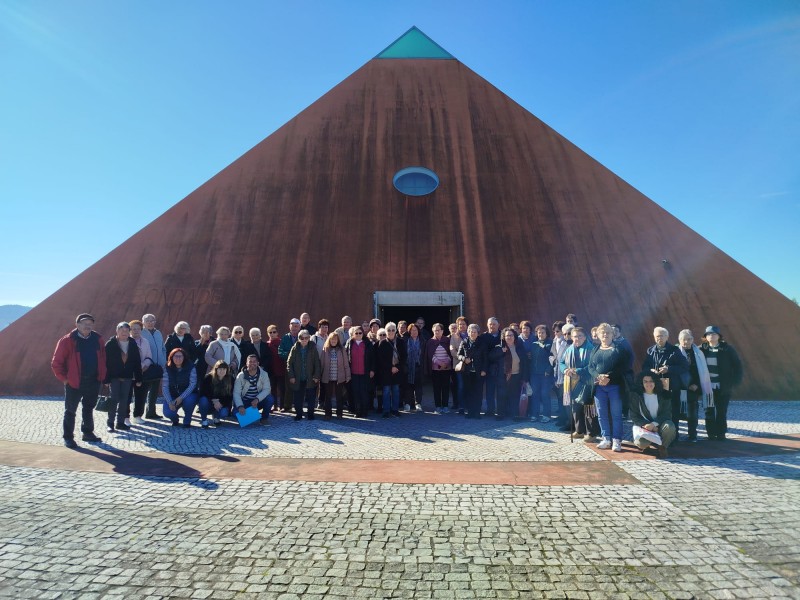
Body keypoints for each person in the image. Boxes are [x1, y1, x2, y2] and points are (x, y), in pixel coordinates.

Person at [51, 313, 106, 448]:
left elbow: (103, 358)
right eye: (84, 323)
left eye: (90, 323)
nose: (87, 326)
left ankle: (87, 432)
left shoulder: (98, 339)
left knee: (88, 408)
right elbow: (56, 363)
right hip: (74, 382)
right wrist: (65, 379)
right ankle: (68, 437)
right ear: (77, 325)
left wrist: (101, 376)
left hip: (93, 381)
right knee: (70, 410)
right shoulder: (67, 340)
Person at [588, 323, 632, 452]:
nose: (605, 335)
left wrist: (609, 377)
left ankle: (617, 440)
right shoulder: (595, 349)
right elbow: (590, 367)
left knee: (616, 414)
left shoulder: (619, 349)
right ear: (599, 335)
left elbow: (624, 366)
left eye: (608, 333)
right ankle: (606, 438)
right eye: (603, 333)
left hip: (615, 386)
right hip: (599, 387)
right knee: (601, 414)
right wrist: (598, 376)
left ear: (613, 335)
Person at [641, 327, 688, 440]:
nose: (659, 338)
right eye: (657, 336)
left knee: (673, 411)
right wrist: (651, 371)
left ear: (667, 337)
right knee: (657, 411)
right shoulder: (650, 350)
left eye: (662, 335)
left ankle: (673, 435)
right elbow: (645, 367)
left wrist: (669, 369)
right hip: (656, 387)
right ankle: (658, 434)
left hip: (672, 387)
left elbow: (684, 366)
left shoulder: (674, 350)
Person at [700, 325, 743, 441]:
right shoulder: (701, 350)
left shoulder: (727, 349)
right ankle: (711, 434)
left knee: (721, 410)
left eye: (714, 334)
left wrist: (734, 382)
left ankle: (721, 433)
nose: (711, 336)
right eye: (709, 334)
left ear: (719, 336)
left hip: (723, 387)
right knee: (708, 410)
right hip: (707, 386)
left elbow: (738, 366)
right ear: (705, 337)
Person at [560, 327, 599, 441]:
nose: (577, 338)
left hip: (587, 382)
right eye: (575, 336)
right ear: (571, 337)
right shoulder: (569, 349)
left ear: (585, 337)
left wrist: (578, 371)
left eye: (579, 336)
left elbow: (592, 365)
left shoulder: (591, 349)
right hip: (573, 382)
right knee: (575, 407)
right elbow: (561, 362)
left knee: (588, 407)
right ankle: (579, 430)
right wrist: (565, 370)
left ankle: (591, 433)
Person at [103, 322, 143, 432]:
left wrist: (139, 378)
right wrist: (105, 379)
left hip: (128, 377)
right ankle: (110, 423)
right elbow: (104, 362)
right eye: (122, 330)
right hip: (114, 377)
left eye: (126, 330)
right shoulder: (111, 343)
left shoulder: (132, 343)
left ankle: (120, 423)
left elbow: (137, 362)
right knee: (114, 399)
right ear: (117, 331)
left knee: (125, 401)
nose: (124, 332)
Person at [676, 329, 714, 442]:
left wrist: (696, 385)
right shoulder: (675, 352)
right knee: (677, 412)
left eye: (689, 339)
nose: (687, 342)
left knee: (693, 413)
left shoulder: (698, 352)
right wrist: (687, 385)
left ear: (692, 339)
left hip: (695, 388)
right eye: (684, 339)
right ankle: (676, 435)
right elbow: (676, 371)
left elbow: (701, 371)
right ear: (679, 340)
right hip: (680, 388)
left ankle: (692, 435)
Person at [631, 374, 676, 458]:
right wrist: (646, 425)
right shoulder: (636, 396)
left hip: (659, 424)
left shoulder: (664, 395)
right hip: (644, 426)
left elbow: (667, 414)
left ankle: (662, 447)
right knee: (641, 444)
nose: (649, 384)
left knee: (670, 427)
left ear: (656, 382)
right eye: (645, 381)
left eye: (651, 381)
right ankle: (647, 445)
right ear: (642, 383)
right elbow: (634, 416)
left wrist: (654, 424)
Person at [162, 348, 204, 427]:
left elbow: (192, 384)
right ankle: (175, 419)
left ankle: (187, 419)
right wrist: (169, 402)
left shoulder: (191, 367)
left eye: (180, 356)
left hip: (188, 394)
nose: (178, 358)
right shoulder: (167, 368)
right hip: (173, 394)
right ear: (171, 357)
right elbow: (165, 386)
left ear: (184, 357)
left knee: (189, 401)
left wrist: (181, 397)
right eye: (175, 356)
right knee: (168, 412)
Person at [286, 330, 322, 421]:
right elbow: (289, 363)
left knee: (311, 397)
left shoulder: (312, 347)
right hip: (298, 377)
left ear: (309, 338)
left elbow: (317, 362)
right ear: (299, 339)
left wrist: (316, 376)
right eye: (302, 338)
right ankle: (299, 414)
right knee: (298, 397)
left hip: (310, 377)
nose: (304, 340)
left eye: (306, 338)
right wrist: (291, 376)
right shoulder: (294, 348)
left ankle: (310, 414)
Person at [375, 323, 406, 418]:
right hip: (386, 371)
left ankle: (395, 410)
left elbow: (404, 357)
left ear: (396, 331)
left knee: (396, 390)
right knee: (386, 391)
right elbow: (380, 359)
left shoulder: (401, 342)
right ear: (386, 331)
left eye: (393, 330)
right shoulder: (382, 343)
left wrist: (397, 368)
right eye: (389, 330)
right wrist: (390, 367)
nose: (391, 332)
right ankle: (386, 411)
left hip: (397, 370)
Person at [233, 354, 273, 424]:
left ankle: (264, 418)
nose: (252, 363)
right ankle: (254, 416)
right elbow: (236, 393)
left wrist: (257, 399)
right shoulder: (240, 376)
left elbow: (267, 389)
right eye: (250, 361)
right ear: (246, 363)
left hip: (257, 401)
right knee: (235, 413)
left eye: (254, 361)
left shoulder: (264, 374)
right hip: (245, 401)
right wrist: (240, 406)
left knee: (270, 399)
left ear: (258, 363)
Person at [457, 324, 486, 419]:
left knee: (478, 393)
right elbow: (459, 355)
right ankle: (470, 412)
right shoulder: (464, 342)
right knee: (468, 392)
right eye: (470, 332)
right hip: (467, 372)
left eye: (474, 332)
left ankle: (477, 412)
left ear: (478, 333)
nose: (472, 333)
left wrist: (484, 370)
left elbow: (486, 359)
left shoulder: (482, 343)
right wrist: (464, 359)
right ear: (468, 332)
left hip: (479, 372)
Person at [140, 313, 167, 419]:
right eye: (148, 321)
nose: (150, 323)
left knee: (154, 391)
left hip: (157, 367)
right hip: (146, 366)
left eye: (152, 321)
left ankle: (151, 412)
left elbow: (162, 348)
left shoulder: (158, 332)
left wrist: (163, 361)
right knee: (143, 391)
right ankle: (138, 413)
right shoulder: (141, 333)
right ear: (143, 322)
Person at [345, 325, 375, 418]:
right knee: (355, 392)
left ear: (363, 334)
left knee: (364, 392)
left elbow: (373, 358)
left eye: (360, 333)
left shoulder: (368, 343)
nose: (358, 334)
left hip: (364, 372)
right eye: (356, 333)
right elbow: (346, 357)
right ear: (353, 334)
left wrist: (372, 370)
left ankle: (364, 411)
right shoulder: (350, 343)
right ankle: (357, 411)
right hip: (353, 373)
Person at [129, 319, 155, 425]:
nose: (136, 331)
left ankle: (137, 416)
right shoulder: (127, 341)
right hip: (128, 373)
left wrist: (143, 366)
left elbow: (149, 356)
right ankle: (125, 417)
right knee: (127, 395)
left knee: (141, 395)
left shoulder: (145, 341)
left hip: (143, 371)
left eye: (138, 329)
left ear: (141, 330)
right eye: (133, 329)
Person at [500, 327, 529, 420]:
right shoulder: (500, 347)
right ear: (504, 337)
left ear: (514, 336)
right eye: (507, 335)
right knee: (503, 395)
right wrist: (500, 352)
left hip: (516, 376)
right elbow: (492, 357)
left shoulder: (519, 347)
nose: (509, 337)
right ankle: (502, 413)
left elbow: (525, 364)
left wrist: (524, 378)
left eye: (511, 335)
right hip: (504, 376)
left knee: (515, 396)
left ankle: (515, 414)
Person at [321, 332, 351, 419]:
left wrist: (348, 376)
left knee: (339, 396)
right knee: (328, 396)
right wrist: (319, 375)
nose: (333, 341)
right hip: (328, 377)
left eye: (335, 339)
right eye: (332, 339)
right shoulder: (325, 349)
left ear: (338, 340)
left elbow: (346, 364)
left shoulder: (341, 349)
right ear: (329, 340)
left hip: (339, 377)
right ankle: (328, 413)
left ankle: (339, 413)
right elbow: (322, 363)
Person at [528, 324, 553, 423]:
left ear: (546, 334)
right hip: (534, 374)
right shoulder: (534, 344)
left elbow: (553, 359)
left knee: (545, 394)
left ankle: (546, 415)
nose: (540, 334)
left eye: (543, 332)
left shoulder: (551, 344)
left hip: (545, 374)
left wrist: (548, 370)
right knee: (535, 394)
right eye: (539, 333)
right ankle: (535, 414)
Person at [425, 323, 452, 414]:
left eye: (438, 330)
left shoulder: (447, 340)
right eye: (435, 330)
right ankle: (438, 406)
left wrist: (446, 363)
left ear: (442, 331)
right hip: (435, 369)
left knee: (445, 387)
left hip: (446, 368)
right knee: (436, 388)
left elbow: (450, 353)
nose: (437, 332)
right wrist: (439, 363)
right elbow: (430, 355)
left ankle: (445, 406)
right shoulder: (430, 342)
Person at [479, 317, 504, 416]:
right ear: (487, 325)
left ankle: (501, 411)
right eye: (490, 324)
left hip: (501, 367)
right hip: (488, 368)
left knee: (501, 391)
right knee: (490, 390)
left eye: (494, 324)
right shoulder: (483, 337)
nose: (492, 326)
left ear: (498, 325)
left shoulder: (503, 335)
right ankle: (490, 410)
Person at [199, 360, 235, 425]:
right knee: (203, 400)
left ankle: (216, 417)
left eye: (224, 369)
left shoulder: (231, 379)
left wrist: (220, 403)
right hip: (209, 401)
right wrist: (214, 400)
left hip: (222, 403)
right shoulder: (208, 377)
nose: (222, 371)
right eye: (220, 369)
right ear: (216, 369)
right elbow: (203, 392)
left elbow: (230, 396)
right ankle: (204, 419)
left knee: (224, 413)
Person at [552, 322, 573, 430]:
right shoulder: (563, 344)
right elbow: (559, 362)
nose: (566, 336)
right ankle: (569, 423)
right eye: (565, 334)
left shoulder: (576, 344)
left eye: (569, 333)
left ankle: (576, 425)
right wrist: (557, 378)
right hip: (563, 378)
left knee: (573, 404)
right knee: (566, 402)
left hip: (575, 379)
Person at [279, 318, 302, 411]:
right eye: (292, 326)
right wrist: (290, 356)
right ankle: (287, 406)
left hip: (301, 366)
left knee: (299, 387)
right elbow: (280, 352)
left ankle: (298, 406)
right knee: (288, 387)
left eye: (296, 326)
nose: (294, 328)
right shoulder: (285, 338)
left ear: (299, 327)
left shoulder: (303, 337)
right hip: (288, 366)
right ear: (289, 327)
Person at [403, 323, 424, 412]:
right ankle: (407, 403)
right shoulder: (405, 340)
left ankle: (418, 403)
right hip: (408, 366)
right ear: (409, 331)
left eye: (415, 330)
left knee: (418, 386)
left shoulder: (422, 341)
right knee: (408, 386)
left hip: (418, 366)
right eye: (412, 330)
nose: (414, 332)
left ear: (418, 331)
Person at [266, 325, 287, 411]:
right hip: (271, 370)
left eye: (274, 332)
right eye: (270, 332)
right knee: (272, 389)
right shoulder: (267, 344)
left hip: (281, 369)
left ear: (277, 333)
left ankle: (282, 405)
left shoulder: (281, 342)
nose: (272, 334)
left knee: (282, 389)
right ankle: (274, 405)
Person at [448, 323, 462, 413]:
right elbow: (451, 350)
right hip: (452, 364)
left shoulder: (461, 336)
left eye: (455, 327)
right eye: (451, 328)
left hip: (460, 363)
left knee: (461, 385)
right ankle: (455, 403)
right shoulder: (447, 338)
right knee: (454, 385)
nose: (453, 329)